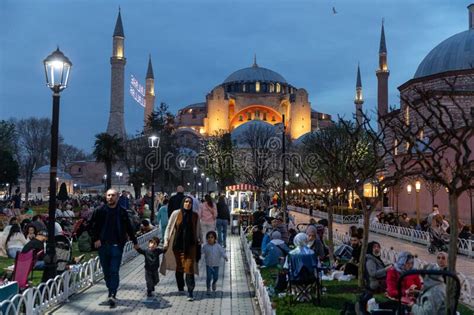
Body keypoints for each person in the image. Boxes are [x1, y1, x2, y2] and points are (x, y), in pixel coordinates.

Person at [90, 189, 138, 308]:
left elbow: (128, 227)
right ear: (106, 197)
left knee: (114, 270)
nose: (110, 197)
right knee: (106, 271)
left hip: (117, 245)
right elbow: (92, 225)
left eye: (113, 195)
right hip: (103, 245)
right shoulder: (100, 211)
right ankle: (110, 288)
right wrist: (96, 239)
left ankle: (112, 293)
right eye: (108, 195)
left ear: (117, 197)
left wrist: (135, 242)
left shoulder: (122, 211)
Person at [160, 196, 201, 301]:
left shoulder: (195, 215)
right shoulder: (176, 214)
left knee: (189, 268)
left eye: (190, 202)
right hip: (177, 245)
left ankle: (190, 291)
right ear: (183, 203)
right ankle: (181, 287)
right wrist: (166, 240)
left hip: (191, 245)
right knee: (179, 267)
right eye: (186, 202)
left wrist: (200, 240)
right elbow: (169, 227)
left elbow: (198, 228)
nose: (188, 204)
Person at [201, 231, 228, 295]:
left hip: (216, 265)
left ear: (215, 238)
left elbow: (222, 252)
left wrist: (225, 257)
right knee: (209, 277)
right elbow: (201, 252)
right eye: (208, 237)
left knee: (216, 277)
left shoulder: (218, 246)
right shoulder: (205, 246)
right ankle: (208, 288)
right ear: (207, 239)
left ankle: (214, 283)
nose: (210, 239)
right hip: (209, 265)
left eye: (212, 237)